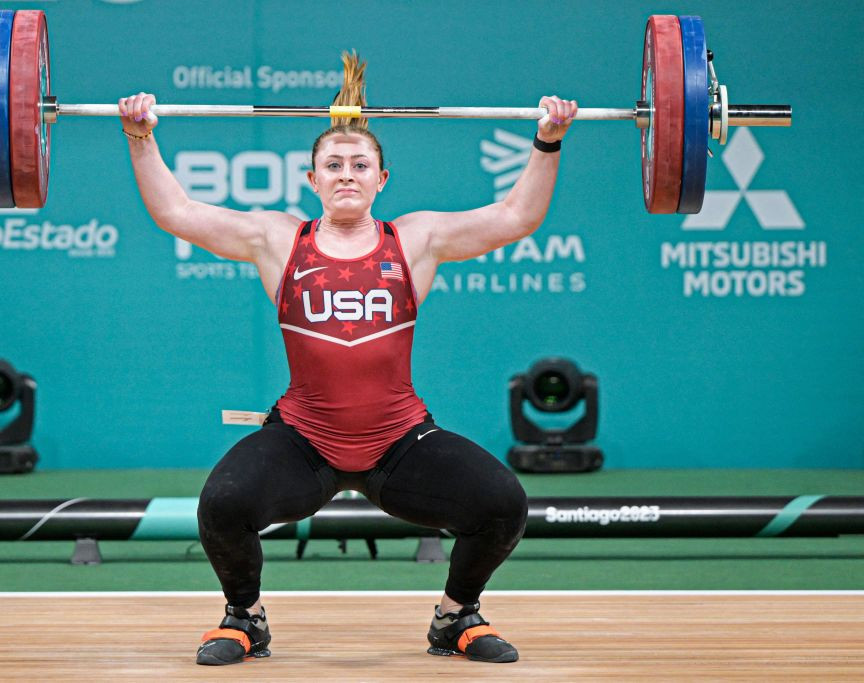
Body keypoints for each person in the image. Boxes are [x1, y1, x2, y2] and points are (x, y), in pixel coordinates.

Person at [119, 52, 576, 666]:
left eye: (360, 165)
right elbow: (176, 213)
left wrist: (547, 142)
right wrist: (140, 136)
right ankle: (244, 618)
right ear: (311, 179)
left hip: (399, 442)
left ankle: (456, 615)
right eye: (332, 165)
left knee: (502, 504)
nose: (346, 174)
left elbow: (517, 216)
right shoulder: (278, 239)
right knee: (223, 502)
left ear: (381, 179)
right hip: (305, 441)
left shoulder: (416, 239)